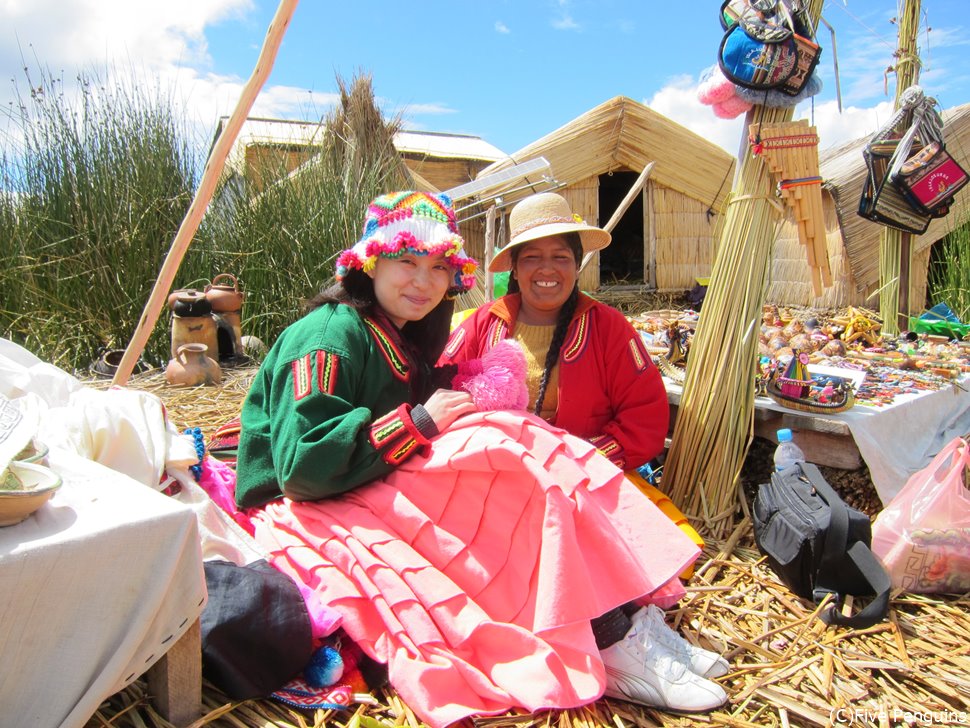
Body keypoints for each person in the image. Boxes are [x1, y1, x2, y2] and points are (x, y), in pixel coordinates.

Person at [234, 191, 713, 727]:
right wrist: (422, 420)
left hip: (366, 473)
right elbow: (302, 466)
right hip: (311, 496)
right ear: (370, 262)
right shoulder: (331, 336)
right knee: (510, 465)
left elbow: (642, 418)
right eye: (406, 262)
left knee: (519, 452)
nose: (423, 281)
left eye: (438, 267)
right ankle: (610, 638)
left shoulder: (599, 328)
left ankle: (622, 620)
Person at [439, 191, 728, 709]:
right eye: (533, 257)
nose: (546, 270)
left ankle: (636, 628)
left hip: (586, 471)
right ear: (515, 267)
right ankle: (621, 642)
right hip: (499, 480)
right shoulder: (483, 324)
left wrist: (577, 461)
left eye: (560, 257)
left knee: (581, 519)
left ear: (577, 265)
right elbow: (444, 393)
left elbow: (644, 418)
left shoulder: (609, 328)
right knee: (547, 522)